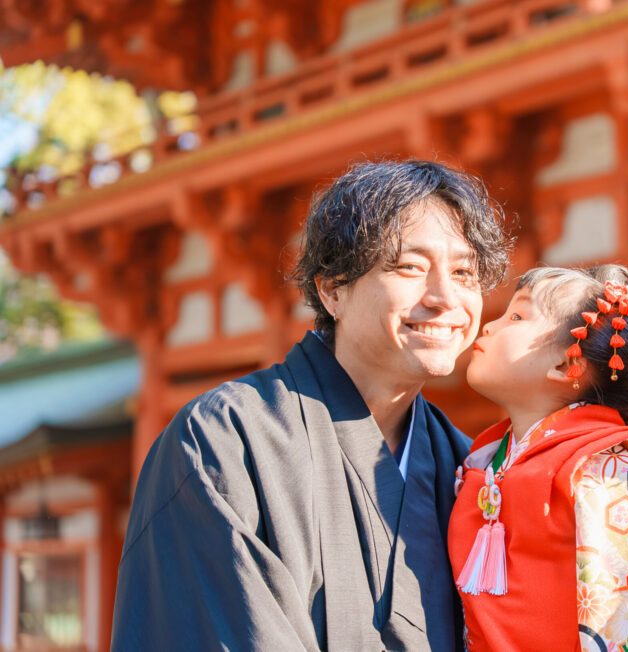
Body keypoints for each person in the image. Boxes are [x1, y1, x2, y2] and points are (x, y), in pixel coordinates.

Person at [112, 160, 511, 651]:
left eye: (464, 272)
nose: (446, 297)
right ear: (333, 289)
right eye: (410, 267)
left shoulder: (470, 469)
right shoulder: (227, 440)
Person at [447, 264, 628, 652]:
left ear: (566, 365)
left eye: (516, 316)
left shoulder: (607, 471)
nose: (489, 327)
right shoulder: (488, 458)